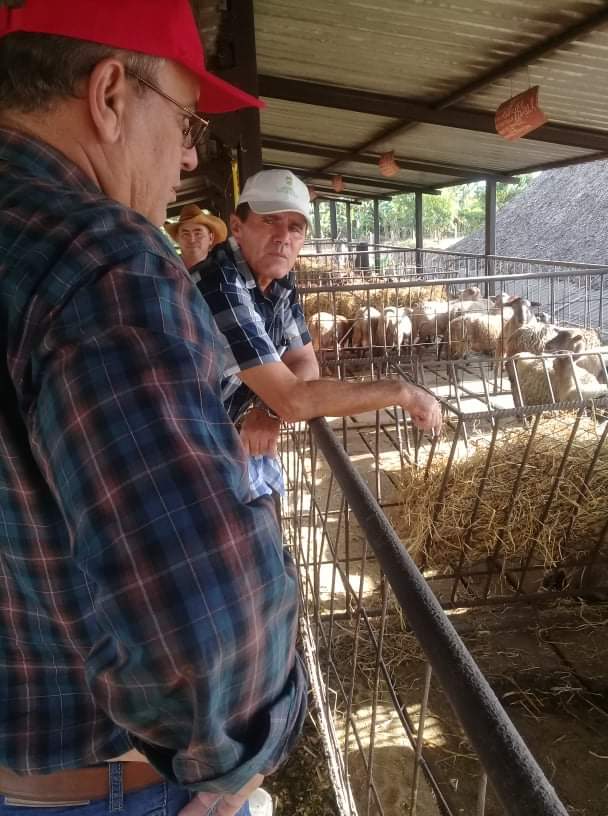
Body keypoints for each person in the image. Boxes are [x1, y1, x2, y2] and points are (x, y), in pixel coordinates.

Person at [0, 4, 306, 816]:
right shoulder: (103, 261)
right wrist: (243, 753)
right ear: (108, 94)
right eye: (186, 120)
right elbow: (198, 617)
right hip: (108, 786)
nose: (189, 155)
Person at [197, 169, 442, 500]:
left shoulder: (279, 280)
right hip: (186, 451)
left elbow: (304, 361)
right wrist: (402, 392)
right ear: (237, 227)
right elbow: (296, 399)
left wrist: (271, 409)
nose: (284, 236)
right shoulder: (219, 283)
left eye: (295, 227)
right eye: (270, 220)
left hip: (225, 435)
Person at [165, 204, 228, 274]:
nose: (192, 240)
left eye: (198, 234)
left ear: (211, 238)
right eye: (185, 234)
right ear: (177, 239)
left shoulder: (224, 269)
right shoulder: (165, 271)